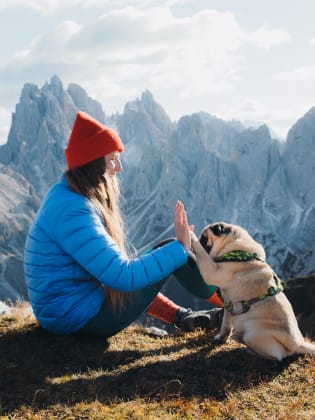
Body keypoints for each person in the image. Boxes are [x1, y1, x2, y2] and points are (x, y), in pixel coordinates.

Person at [24, 111, 222, 338]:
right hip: (75, 320)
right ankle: (237, 305)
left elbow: (115, 279)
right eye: (112, 159)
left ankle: (183, 316)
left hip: (65, 312)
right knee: (178, 254)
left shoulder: (65, 195)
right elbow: (124, 278)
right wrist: (181, 247)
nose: (119, 168)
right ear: (93, 164)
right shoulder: (74, 212)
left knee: (167, 253)